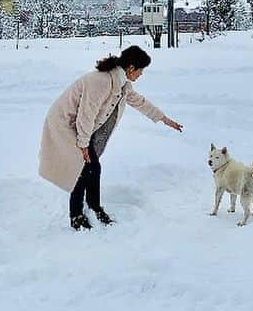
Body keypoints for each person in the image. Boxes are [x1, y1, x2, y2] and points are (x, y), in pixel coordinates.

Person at [38, 45, 183, 230]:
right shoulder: (101, 81)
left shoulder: (121, 84)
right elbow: (86, 115)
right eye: (141, 70)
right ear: (131, 68)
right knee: (82, 169)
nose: (141, 75)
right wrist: (83, 145)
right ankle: (76, 215)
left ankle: (94, 206)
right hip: (65, 124)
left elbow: (139, 102)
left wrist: (163, 119)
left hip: (80, 126)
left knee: (93, 167)